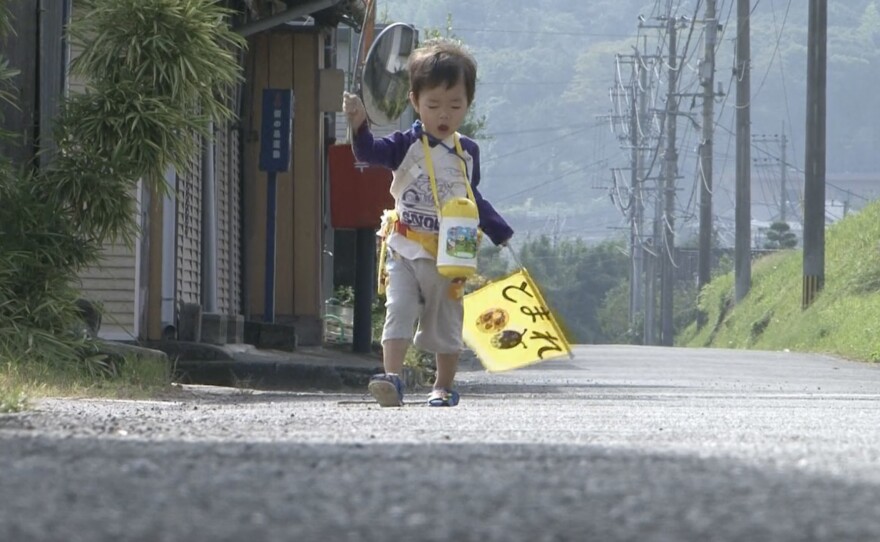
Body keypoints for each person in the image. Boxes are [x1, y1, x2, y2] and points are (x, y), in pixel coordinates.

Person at [342, 38, 513, 407]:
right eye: (433, 104)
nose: (443, 114)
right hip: (404, 247)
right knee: (399, 309)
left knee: (444, 320)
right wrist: (359, 125)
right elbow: (369, 152)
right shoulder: (405, 144)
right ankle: (391, 378)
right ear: (415, 101)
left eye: (455, 105)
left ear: (468, 104)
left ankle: (444, 385)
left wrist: (499, 230)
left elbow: (473, 198)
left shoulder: (468, 152)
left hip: (450, 254)